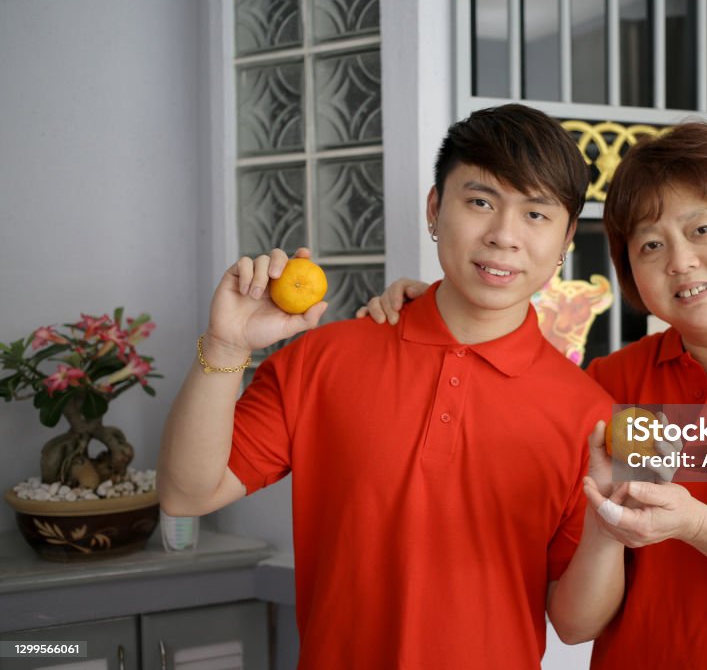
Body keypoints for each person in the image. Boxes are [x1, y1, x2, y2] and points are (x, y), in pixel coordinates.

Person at [363, 120, 707, 668]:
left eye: (702, 230)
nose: (680, 261)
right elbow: (503, 404)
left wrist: (697, 524)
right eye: (651, 244)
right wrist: (434, 314)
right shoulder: (615, 383)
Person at [158, 104, 623, 668]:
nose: (503, 236)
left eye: (536, 214)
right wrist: (228, 346)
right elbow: (187, 494)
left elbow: (576, 626)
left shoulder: (587, 412)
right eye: (480, 202)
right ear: (435, 209)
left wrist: (610, 527)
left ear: (568, 237)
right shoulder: (324, 359)